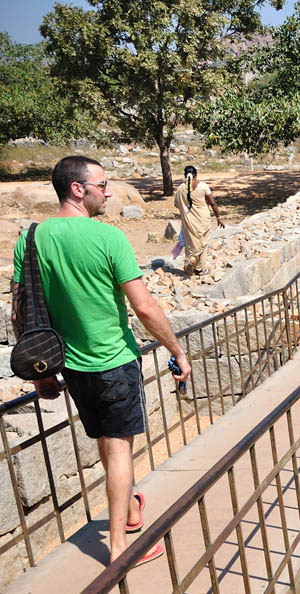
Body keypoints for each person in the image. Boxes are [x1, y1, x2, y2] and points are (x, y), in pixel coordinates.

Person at [11, 155, 192, 568]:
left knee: (105, 442)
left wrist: (40, 373)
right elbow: (144, 308)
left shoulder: (31, 238)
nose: (108, 193)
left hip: (72, 366)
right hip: (113, 361)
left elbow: (21, 310)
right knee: (120, 450)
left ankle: (129, 509)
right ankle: (120, 548)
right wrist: (177, 351)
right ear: (78, 189)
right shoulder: (109, 238)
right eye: (103, 185)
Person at [173, 165, 224, 273]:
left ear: (185, 175)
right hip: (203, 219)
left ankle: (190, 262)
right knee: (203, 242)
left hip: (189, 221)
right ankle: (199, 267)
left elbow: (177, 204)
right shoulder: (203, 186)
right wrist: (218, 218)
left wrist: (187, 207)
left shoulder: (180, 188)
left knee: (190, 242)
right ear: (196, 175)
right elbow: (212, 203)